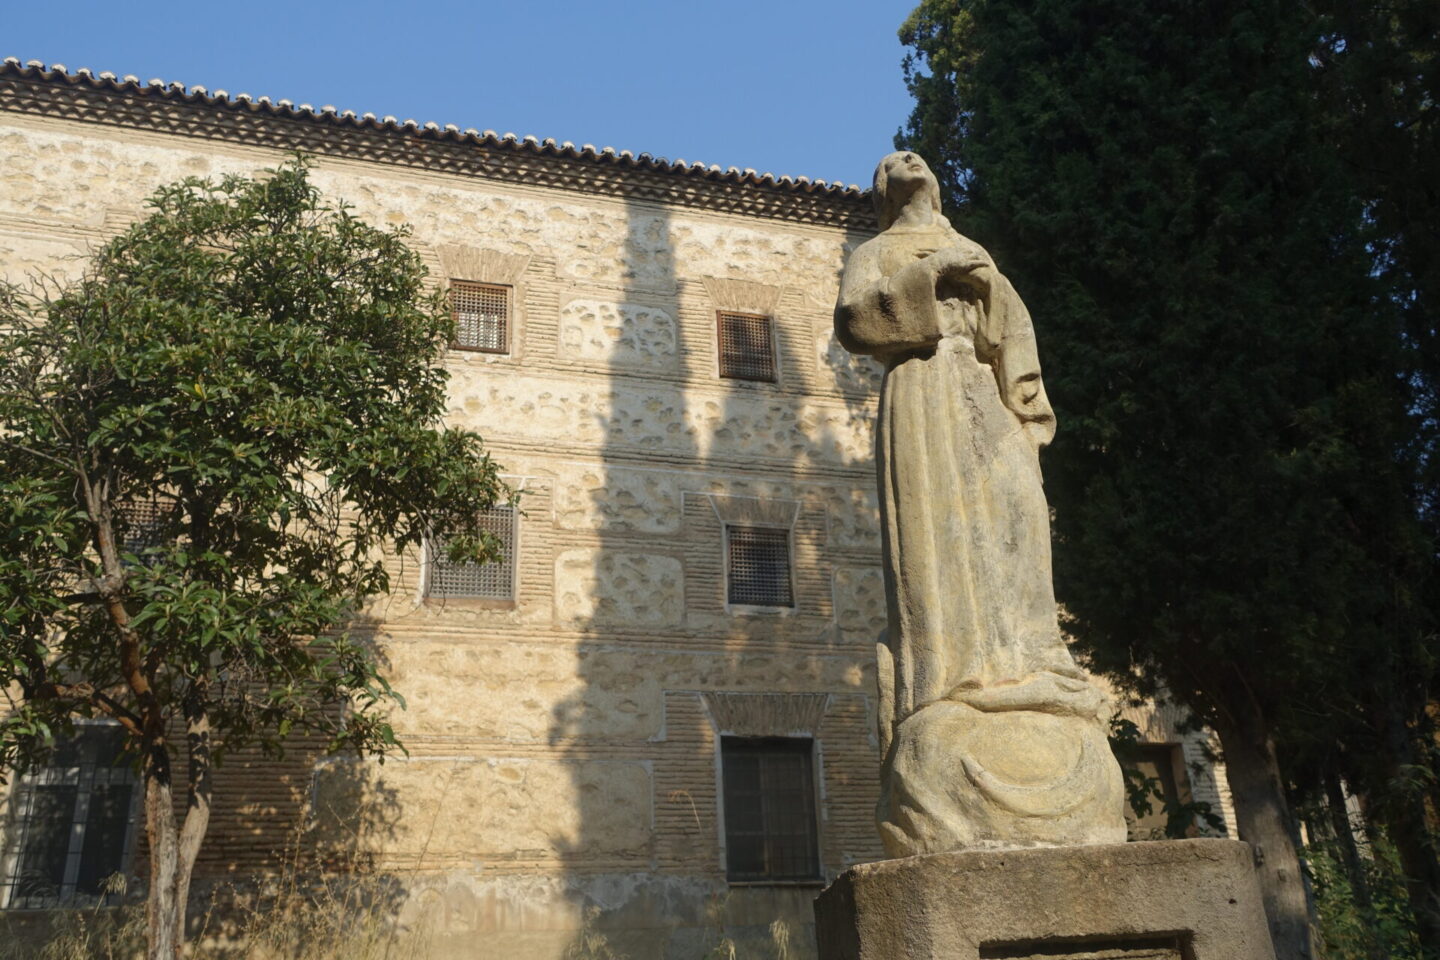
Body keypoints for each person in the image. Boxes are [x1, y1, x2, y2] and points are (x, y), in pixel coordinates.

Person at [835, 151, 1124, 854]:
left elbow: (1007, 323)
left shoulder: (973, 245)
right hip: (921, 390)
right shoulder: (874, 250)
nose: (904, 157)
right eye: (889, 162)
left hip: (982, 388)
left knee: (1015, 520)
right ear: (882, 192)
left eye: (916, 156)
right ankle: (948, 679)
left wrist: (985, 286)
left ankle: (1028, 667)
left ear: (934, 179)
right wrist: (928, 275)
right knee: (939, 532)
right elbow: (853, 322)